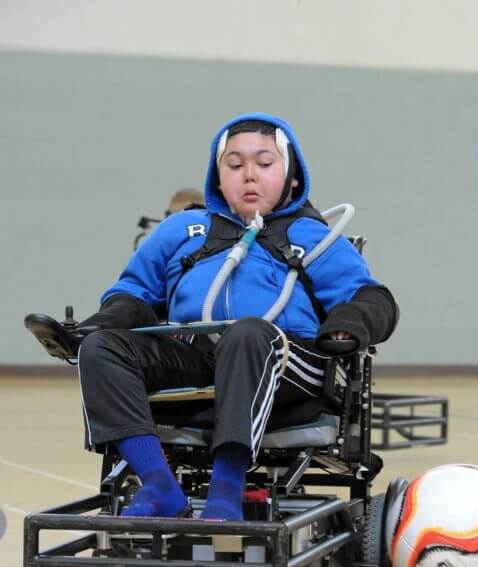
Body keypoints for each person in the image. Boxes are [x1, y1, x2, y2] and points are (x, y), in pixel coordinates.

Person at [75, 112, 398, 521]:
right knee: (100, 349)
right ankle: (159, 484)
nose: (249, 175)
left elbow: (372, 297)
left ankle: (226, 487)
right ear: (217, 176)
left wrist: (350, 321)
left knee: (247, 335)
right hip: (198, 353)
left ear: (292, 176)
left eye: (264, 164)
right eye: (234, 164)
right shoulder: (184, 230)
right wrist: (101, 324)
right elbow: (134, 292)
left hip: (285, 359)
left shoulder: (312, 235)